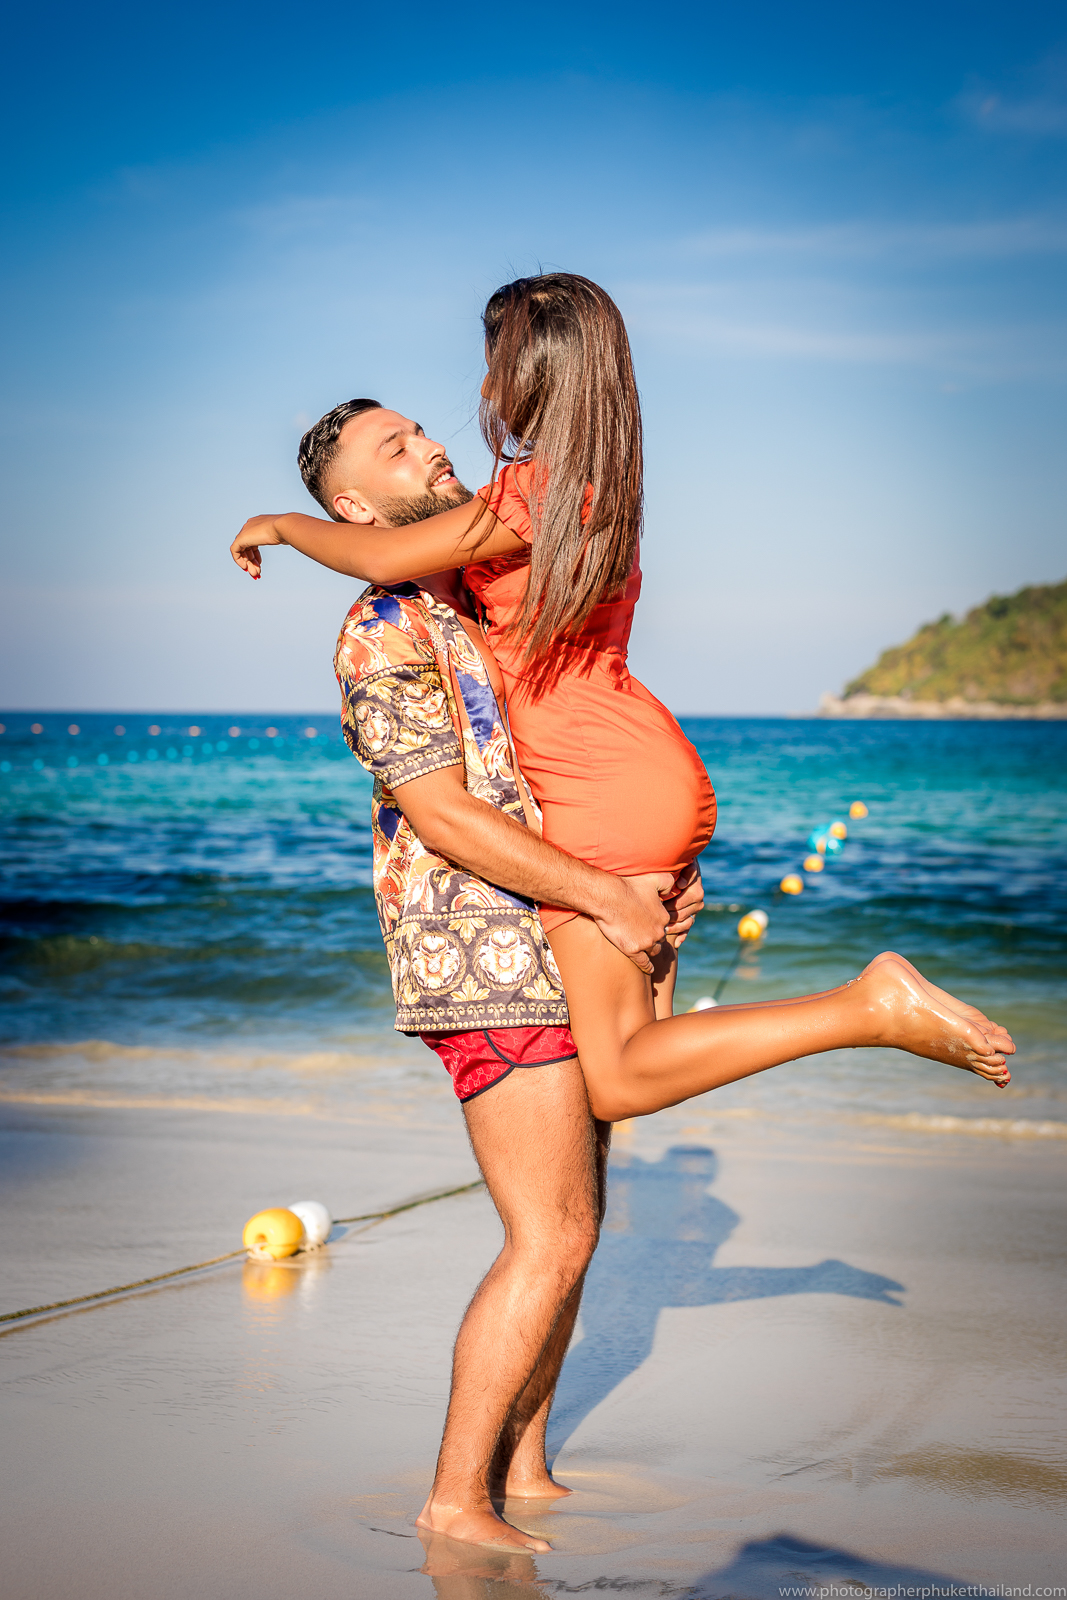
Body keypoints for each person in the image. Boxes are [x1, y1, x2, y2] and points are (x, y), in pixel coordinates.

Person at [231, 271, 1014, 1128]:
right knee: (647, 1050)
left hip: (594, 782)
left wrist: (279, 524)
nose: (480, 392)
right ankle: (863, 1009)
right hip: (631, 759)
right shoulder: (587, 487)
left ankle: (868, 1008)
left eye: (493, 367)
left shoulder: (528, 495)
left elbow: (381, 558)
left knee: (619, 1081)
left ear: (535, 376)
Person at [299, 396, 703, 1553]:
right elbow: (442, 815)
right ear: (352, 506)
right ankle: (453, 1499)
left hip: (555, 939)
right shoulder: (381, 625)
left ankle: (521, 1464)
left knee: (579, 1217)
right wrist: (604, 894)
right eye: (394, 447)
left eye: (422, 429)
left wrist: (641, 879)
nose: (429, 445)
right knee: (551, 1231)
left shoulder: (474, 601)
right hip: (478, 955)